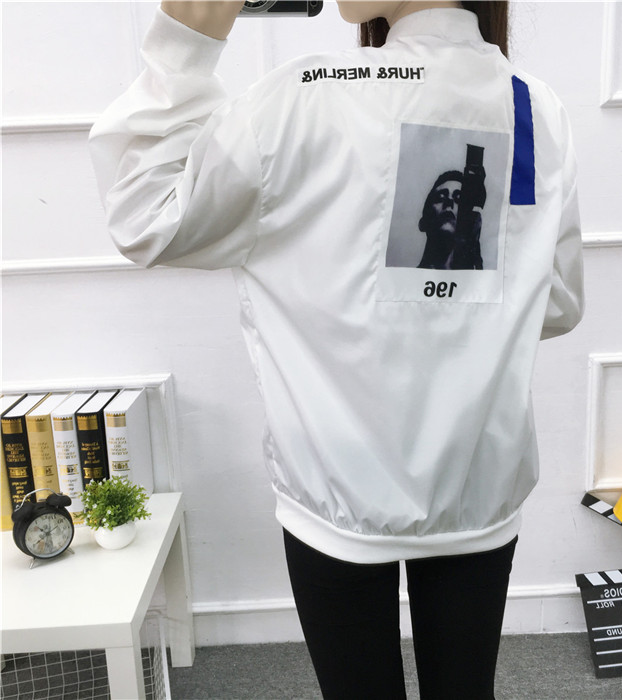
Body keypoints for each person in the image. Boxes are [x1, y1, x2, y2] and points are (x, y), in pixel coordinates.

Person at [89, 1, 584, 697]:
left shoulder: (305, 96)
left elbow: (146, 217)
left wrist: (185, 39)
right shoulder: (534, 108)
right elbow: (557, 305)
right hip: (478, 478)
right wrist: (461, 317)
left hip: (334, 486)